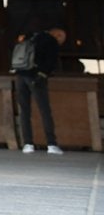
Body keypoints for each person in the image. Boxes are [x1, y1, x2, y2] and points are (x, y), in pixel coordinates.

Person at [16, 27, 68, 155]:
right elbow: (51, 61)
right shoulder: (51, 41)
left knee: (24, 111)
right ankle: (51, 144)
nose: (61, 41)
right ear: (57, 34)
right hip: (36, 77)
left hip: (21, 75)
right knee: (44, 110)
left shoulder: (30, 36)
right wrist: (43, 74)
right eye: (62, 37)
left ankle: (27, 144)